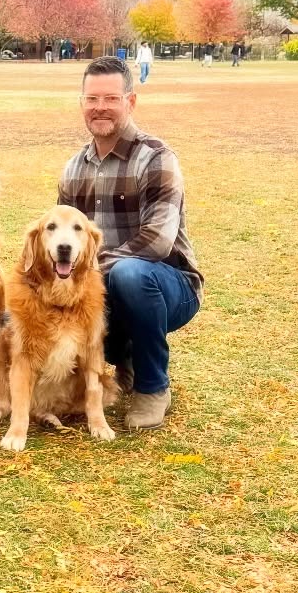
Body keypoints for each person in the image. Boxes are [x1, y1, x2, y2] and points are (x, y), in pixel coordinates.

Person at [58, 56, 203, 430]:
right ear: (82, 103)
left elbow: (156, 242)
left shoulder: (157, 158)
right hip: (100, 287)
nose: (100, 108)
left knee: (129, 275)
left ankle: (153, 387)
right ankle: (123, 359)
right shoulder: (74, 169)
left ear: (130, 101)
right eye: (92, 99)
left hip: (167, 285)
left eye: (110, 98)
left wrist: (89, 271)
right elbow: (60, 238)